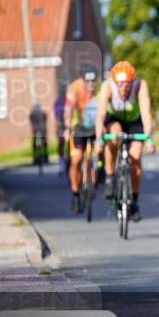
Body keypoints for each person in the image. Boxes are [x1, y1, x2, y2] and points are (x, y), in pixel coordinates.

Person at [94, 61, 155, 221]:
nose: (123, 88)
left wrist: (149, 137)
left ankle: (134, 200)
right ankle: (109, 177)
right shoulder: (107, 86)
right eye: (120, 84)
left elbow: (146, 113)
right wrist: (99, 137)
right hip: (114, 119)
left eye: (127, 84)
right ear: (114, 82)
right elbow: (100, 114)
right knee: (114, 135)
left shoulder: (140, 86)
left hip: (134, 122)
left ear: (132, 82)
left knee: (136, 157)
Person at [63, 67, 100, 212]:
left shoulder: (100, 89)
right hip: (78, 127)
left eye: (93, 82)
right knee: (76, 159)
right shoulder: (74, 88)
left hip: (96, 127)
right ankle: (75, 194)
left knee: (99, 153)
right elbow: (68, 110)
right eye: (87, 82)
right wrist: (67, 128)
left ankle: (98, 172)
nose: (90, 85)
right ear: (82, 80)